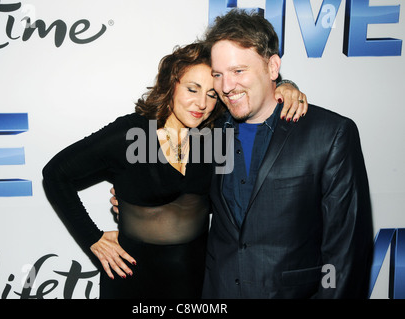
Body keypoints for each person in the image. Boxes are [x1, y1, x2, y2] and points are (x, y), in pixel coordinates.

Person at [42, 41, 307, 299]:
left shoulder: (216, 137)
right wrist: (93, 238)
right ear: (171, 84)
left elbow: (259, 107)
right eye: (192, 89)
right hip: (131, 281)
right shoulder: (133, 134)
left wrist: (286, 86)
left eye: (212, 94)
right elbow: (55, 174)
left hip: (196, 282)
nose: (201, 103)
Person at [201, 9, 373, 299]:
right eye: (218, 74)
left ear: (272, 67)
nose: (226, 86)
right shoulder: (208, 133)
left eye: (238, 71)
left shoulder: (330, 134)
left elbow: (346, 252)